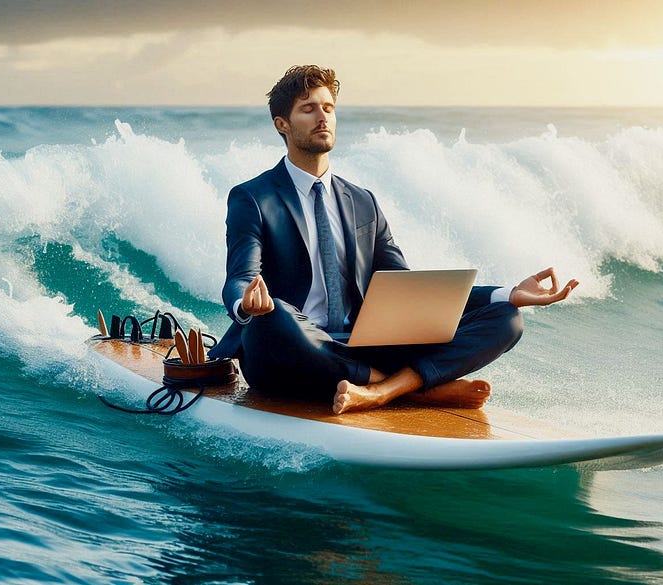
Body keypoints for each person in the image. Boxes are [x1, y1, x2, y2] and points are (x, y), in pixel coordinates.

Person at [209, 65, 578, 414]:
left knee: (507, 319)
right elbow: (240, 277)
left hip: (358, 344)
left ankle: (381, 390)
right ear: (282, 124)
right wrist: (246, 302)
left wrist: (507, 294)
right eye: (308, 109)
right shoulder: (254, 198)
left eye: (328, 108)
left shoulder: (362, 202)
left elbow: (405, 290)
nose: (323, 117)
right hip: (290, 350)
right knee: (273, 315)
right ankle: (419, 389)